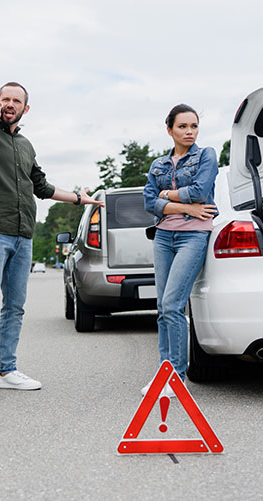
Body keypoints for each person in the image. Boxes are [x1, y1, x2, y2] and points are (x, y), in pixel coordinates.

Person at [0, 82, 103, 400]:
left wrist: (80, 199)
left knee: (16, 307)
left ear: (25, 108)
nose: (9, 104)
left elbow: (42, 187)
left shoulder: (25, 144)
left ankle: (6, 370)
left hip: (23, 235)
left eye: (15, 100)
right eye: (5, 99)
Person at [142, 104, 218, 397]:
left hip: (192, 235)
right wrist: (185, 206)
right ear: (169, 129)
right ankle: (165, 372)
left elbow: (200, 191)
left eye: (194, 126)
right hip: (163, 236)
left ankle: (176, 376)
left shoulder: (206, 155)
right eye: (183, 126)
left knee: (173, 304)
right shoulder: (159, 164)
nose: (189, 132)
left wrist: (168, 195)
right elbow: (149, 202)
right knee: (162, 307)